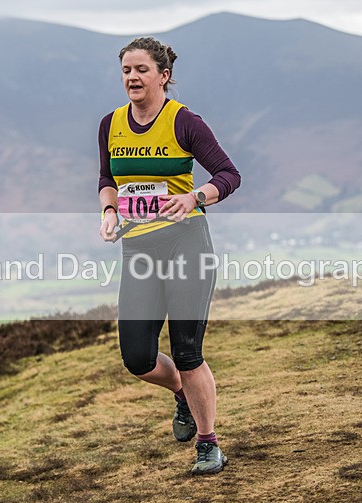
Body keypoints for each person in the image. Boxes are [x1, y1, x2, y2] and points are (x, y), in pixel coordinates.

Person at [97, 37, 241, 475]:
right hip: (138, 248)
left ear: (163, 76)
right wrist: (107, 210)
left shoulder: (184, 122)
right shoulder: (111, 124)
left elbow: (228, 174)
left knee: (186, 350)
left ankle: (208, 442)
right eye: (126, 70)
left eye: (141, 70)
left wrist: (196, 196)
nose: (132, 78)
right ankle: (181, 393)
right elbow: (107, 178)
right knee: (137, 358)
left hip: (186, 244)